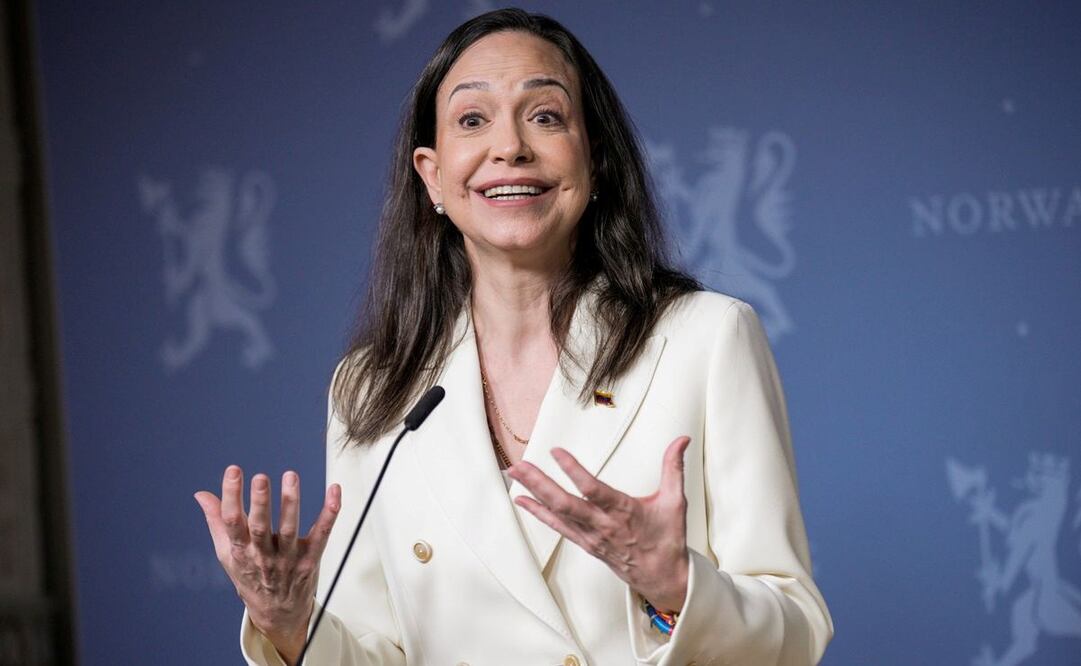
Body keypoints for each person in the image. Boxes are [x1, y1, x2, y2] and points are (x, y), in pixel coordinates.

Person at [194, 8, 833, 665]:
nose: (509, 148)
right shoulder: (372, 388)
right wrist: (291, 626)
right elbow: (376, 650)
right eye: (472, 120)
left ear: (597, 162)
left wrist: (675, 588)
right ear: (432, 175)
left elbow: (795, 628)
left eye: (545, 116)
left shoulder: (705, 337)